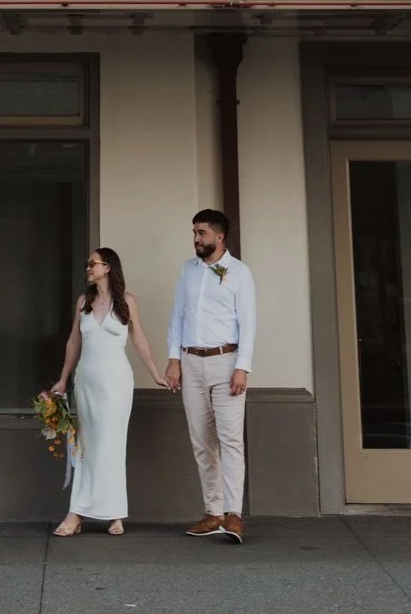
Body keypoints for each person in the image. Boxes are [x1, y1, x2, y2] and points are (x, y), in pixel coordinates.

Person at [48, 247, 166, 537]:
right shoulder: (83, 302)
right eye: (87, 264)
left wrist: (155, 374)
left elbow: (139, 340)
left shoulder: (127, 301)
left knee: (111, 443)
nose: (88, 268)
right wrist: (63, 379)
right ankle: (79, 512)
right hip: (86, 381)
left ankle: (112, 512)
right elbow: (74, 341)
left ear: (108, 267)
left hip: (116, 383)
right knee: (86, 445)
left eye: (93, 263)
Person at [164, 208, 256, 544]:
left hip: (226, 361)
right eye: (194, 232)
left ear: (219, 236)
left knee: (230, 440)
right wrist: (174, 360)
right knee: (201, 441)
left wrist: (243, 366)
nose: (196, 239)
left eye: (201, 233)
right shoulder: (187, 271)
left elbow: (248, 322)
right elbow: (177, 316)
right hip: (191, 361)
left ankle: (234, 515)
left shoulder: (240, 273)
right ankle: (213, 512)